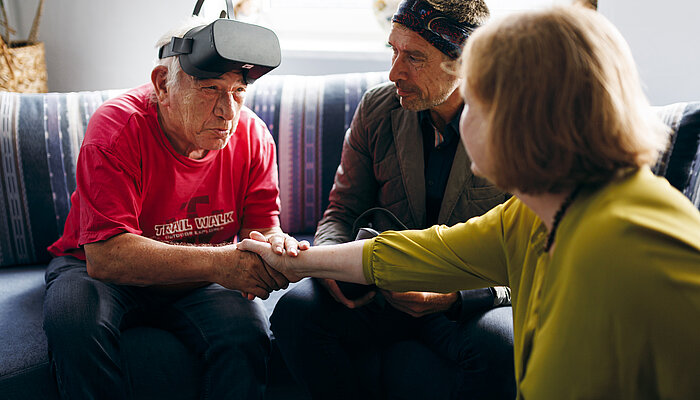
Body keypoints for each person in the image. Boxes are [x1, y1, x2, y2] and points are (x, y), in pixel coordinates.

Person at [240, 4, 700, 399]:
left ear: (531, 116)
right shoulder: (529, 215)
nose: (463, 119)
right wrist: (296, 263)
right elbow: (413, 252)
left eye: (478, 98)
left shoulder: (642, 246)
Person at [42, 17, 306, 400]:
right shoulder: (117, 129)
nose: (227, 112)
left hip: (197, 280)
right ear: (163, 84)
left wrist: (276, 247)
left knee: (246, 335)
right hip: (94, 270)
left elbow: (262, 229)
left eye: (237, 91)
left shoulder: (253, 137)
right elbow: (107, 257)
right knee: (74, 324)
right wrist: (223, 264)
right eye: (210, 88)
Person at [269, 1, 514, 399]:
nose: (394, 72)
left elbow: (535, 254)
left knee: (503, 348)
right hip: (379, 291)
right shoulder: (378, 108)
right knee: (297, 313)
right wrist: (332, 266)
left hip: (465, 302)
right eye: (394, 51)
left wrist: (457, 297)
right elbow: (342, 210)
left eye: (414, 57)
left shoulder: (517, 122)